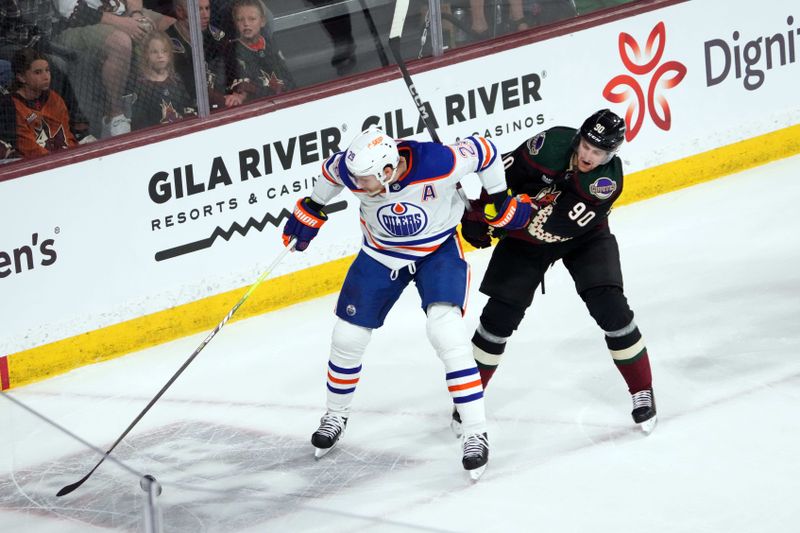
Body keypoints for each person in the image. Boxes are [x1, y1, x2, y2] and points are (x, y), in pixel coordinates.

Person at [280, 126, 535, 479]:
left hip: (438, 252)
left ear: (388, 170)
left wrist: (500, 198)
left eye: (365, 179)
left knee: (447, 333)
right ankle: (335, 415)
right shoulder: (354, 171)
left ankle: (475, 432)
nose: (357, 185)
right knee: (347, 336)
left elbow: (485, 151)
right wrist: (311, 208)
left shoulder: (439, 161)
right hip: (381, 254)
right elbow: (330, 172)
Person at [458, 109, 658, 435]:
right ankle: (468, 401)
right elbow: (501, 175)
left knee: (611, 307)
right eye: (586, 146)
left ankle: (641, 389)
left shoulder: (605, 183)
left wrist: (498, 220)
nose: (588, 156)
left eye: (598, 152)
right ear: (579, 138)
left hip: (583, 238)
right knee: (497, 318)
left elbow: (548, 228)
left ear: (611, 154)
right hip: (525, 231)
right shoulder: (550, 144)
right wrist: (478, 214)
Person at [51, 0, 174, 137]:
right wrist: (124, 24)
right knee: (120, 42)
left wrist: (136, 14)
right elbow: (74, 12)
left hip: (123, 15)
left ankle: (173, 98)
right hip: (78, 25)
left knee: (171, 23)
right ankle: (115, 117)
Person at [0, 47, 77, 158]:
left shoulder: (55, 98)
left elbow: (67, 135)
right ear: (21, 77)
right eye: (38, 72)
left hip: (64, 160)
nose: (46, 77)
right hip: (38, 166)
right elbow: (27, 147)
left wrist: (74, 155)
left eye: (47, 70)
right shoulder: (10, 106)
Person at [223, 0, 294, 106]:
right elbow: (241, 87)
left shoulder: (270, 43)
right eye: (240, 20)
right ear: (235, 23)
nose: (246, 24)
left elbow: (287, 77)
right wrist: (242, 94)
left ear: (263, 21)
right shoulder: (232, 50)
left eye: (252, 19)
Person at [167, 0, 229, 110]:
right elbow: (187, 87)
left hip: (222, 99)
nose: (205, 15)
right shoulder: (168, 43)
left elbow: (230, 70)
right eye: (198, 9)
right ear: (180, 12)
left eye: (207, 8)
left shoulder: (217, 36)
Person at [130, 31, 196, 130]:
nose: (160, 56)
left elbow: (187, 106)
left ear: (169, 55)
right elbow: (139, 122)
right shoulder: (142, 86)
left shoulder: (176, 80)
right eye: (154, 52)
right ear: (146, 55)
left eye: (164, 51)